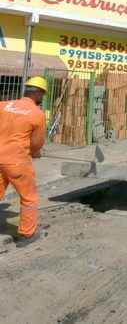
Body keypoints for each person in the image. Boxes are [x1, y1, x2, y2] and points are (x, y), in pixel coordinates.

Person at [0, 76, 47, 247]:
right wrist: (35, 152)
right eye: (43, 95)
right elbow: (36, 143)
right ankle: (27, 234)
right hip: (17, 161)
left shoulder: (4, 105)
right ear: (40, 93)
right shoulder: (37, 114)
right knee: (29, 197)